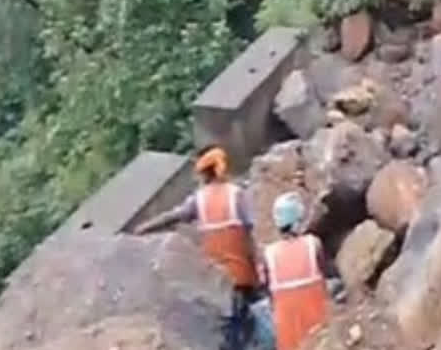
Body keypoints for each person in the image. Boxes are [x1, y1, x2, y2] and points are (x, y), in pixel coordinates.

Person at [134, 146, 259, 350]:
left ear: (203, 174)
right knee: (249, 331)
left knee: (229, 335)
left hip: (216, 282)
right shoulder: (236, 194)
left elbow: (174, 216)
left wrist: (144, 228)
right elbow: (253, 232)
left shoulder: (199, 199)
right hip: (243, 274)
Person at [260, 193, 332, 350]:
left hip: (288, 341)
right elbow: (324, 277)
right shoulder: (313, 244)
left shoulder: (269, 254)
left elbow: (268, 292)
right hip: (319, 337)